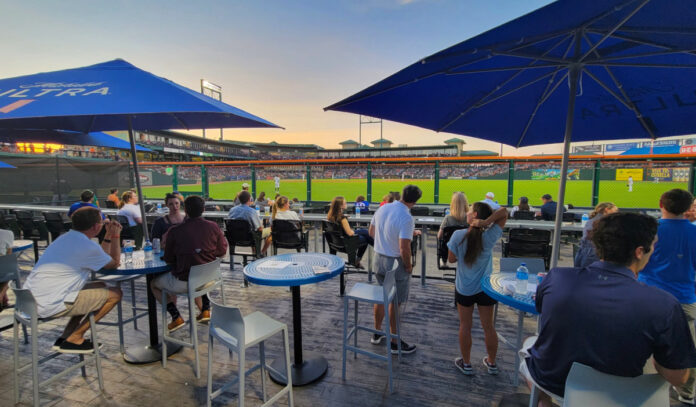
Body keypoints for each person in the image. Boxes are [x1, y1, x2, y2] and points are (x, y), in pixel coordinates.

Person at [521, 212, 696, 406]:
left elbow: (541, 308)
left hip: (553, 383)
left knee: (528, 348)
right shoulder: (664, 304)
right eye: (653, 245)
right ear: (639, 251)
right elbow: (679, 377)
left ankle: (544, 403)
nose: (653, 250)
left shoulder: (557, 277)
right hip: (623, 396)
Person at [23, 208, 123, 353]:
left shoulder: (64, 238)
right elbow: (114, 263)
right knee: (115, 294)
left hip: (28, 301)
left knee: (100, 285)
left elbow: (100, 255)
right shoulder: (86, 245)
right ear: (95, 227)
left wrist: (107, 234)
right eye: (101, 223)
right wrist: (115, 236)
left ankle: (66, 336)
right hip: (47, 304)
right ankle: (76, 337)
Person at [637, 189, 696, 404]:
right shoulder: (693, 232)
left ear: (661, 203)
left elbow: (635, 263)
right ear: (688, 208)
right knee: (685, 349)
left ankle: (638, 387)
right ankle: (687, 393)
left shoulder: (650, 231)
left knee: (639, 342)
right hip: (683, 299)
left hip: (647, 297)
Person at [447, 203, 507, 376]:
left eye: (469, 210)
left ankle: (466, 364)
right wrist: (486, 222)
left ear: (474, 215)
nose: (466, 212)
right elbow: (504, 213)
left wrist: (481, 223)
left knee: (465, 325)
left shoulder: (458, 235)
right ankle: (492, 363)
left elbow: (451, 260)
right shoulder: (489, 236)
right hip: (485, 289)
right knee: (488, 326)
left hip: (465, 288)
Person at [153, 196, 228, 330]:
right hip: (209, 279)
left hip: (186, 282)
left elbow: (169, 259)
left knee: (153, 284)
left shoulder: (175, 231)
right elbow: (222, 251)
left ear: (185, 210)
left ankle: (176, 317)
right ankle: (205, 309)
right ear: (203, 209)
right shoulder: (213, 226)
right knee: (199, 268)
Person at [369, 185, 422, 354]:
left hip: (378, 259)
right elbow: (404, 248)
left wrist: (391, 238)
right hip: (395, 264)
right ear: (415, 201)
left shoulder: (383, 208)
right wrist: (408, 265)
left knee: (381, 297)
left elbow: (372, 232)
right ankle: (393, 341)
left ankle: (377, 333)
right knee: (395, 302)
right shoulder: (407, 217)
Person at [327, 196, 373, 268]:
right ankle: (358, 260)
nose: (346, 204)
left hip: (337, 242)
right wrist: (351, 229)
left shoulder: (331, 216)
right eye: (345, 203)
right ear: (340, 206)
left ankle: (358, 260)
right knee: (366, 237)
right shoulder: (342, 218)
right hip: (346, 243)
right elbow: (350, 233)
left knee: (365, 232)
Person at [573, 202, 618, 268]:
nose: (616, 213)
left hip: (584, 252)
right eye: (615, 211)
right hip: (593, 253)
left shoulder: (593, 219)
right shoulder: (601, 221)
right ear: (607, 209)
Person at [228, 190, 271, 255]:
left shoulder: (232, 210)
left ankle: (255, 253)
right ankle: (261, 252)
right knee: (271, 231)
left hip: (234, 237)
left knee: (251, 231)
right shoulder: (252, 211)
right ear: (249, 199)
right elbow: (259, 228)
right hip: (250, 237)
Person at [0, 228, 14, 312]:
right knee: (9, 271)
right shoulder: (7, 233)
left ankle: (3, 298)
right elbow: (9, 257)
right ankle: (2, 296)